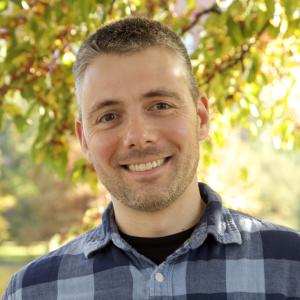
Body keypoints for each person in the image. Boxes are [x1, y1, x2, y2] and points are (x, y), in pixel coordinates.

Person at [3, 17, 300, 300]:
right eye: (109, 116)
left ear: (201, 117)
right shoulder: (32, 291)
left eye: (160, 105)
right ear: (84, 139)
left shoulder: (292, 268)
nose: (138, 135)